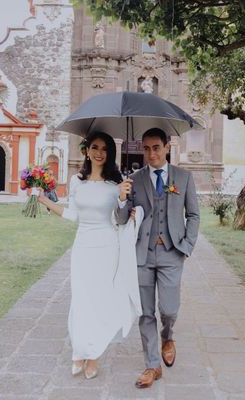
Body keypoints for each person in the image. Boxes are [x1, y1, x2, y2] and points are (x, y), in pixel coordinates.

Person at [38, 131, 141, 380]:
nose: (99, 152)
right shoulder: (76, 181)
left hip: (108, 247)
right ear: (86, 150)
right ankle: (79, 351)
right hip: (83, 247)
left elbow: (121, 218)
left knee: (100, 301)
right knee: (81, 300)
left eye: (104, 149)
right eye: (95, 147)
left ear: (110, 153)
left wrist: (124, 200)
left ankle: (93, 354)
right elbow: (73, 215)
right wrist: (43, 201)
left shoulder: (117, 184)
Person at [115, 128, 200, 389]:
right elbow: (120, 220)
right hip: (141, 254)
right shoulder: (133, 178)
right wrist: (121, 199)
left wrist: (186, 246)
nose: (151, 153)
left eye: (155, 147)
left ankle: (168, 336)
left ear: (167, 147)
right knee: (146, 312)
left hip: (172, 252)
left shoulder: (184, 178)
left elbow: (194, 215)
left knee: (169, 309)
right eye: (146, 148)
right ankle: (153, 365)